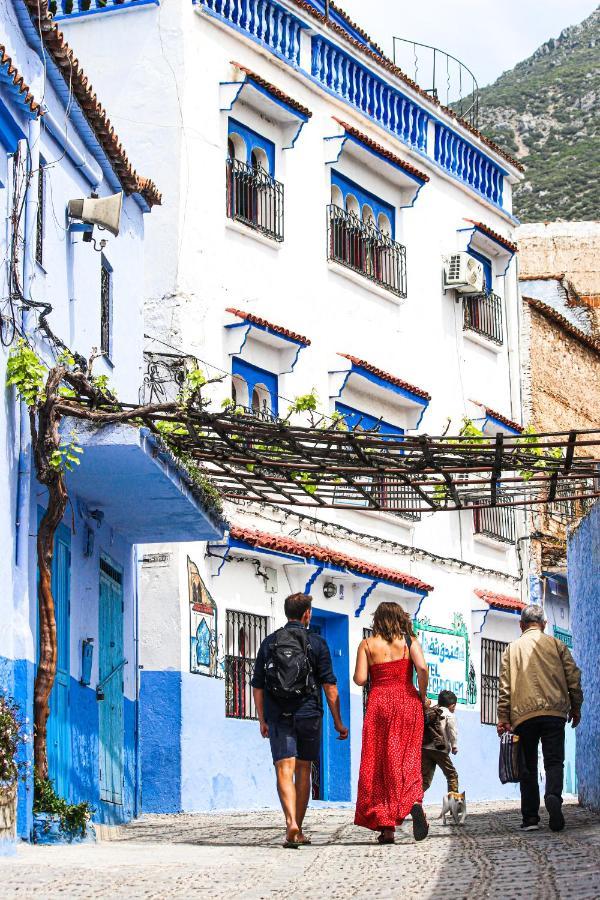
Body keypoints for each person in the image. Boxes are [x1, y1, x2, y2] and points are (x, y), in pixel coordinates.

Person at [251, 593, 348, 848]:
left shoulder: (269, 642)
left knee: (284, 768)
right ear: (307, 614)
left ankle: (290, 822)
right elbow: (329, 684)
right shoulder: (317, 643)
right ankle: (299, 828)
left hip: (278, 713)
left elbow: (258, 685)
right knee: (303, 769)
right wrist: (338, 721)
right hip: (308, 713)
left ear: (287, 613)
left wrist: (262, 719)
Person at [497, 603, 583, 833]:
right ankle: (553, 796)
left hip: (523, 716)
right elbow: (573, 676)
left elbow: (504, 686)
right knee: (554, 760)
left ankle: (531, 818)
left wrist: (503, 717)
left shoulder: (512, 649)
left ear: (521, 625)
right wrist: (576, 706)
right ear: (544, 624)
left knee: (528, 767)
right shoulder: (557, 645)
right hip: (555, 713)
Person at [353, 601, 430, 843]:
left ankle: (386, 827)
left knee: (379, 762)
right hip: (407, 701)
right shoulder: (409, 641)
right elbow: (422, 668)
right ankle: (414, 801)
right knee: (408, 757)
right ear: (401, 618)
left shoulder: (366, 644)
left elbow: (360, 679)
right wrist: (423, 694)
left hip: (379, 705)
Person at [421, 689, 460, 796]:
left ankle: (415, 800)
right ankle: (454, 803)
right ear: (452, 705)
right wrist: (454, 746)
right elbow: (452, 731)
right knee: (452, 775)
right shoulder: (449, 714)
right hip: (440, 749)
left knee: (425, 779)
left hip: (425, 748)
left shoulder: (432, 711)